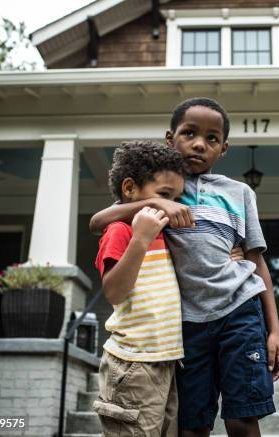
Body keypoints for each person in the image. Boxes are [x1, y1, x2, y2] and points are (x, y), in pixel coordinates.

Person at [90, 97, 279, 437]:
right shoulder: (163, 188)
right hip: (187, 324)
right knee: (191, 424)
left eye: (212, 138)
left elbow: (256, 261)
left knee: (242, 416)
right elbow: (97, 221)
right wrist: (154, 201)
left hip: (240, 311)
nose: (199, 143)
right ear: (171, 138)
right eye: (189, 133)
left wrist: (274, 330)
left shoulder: (239, 193)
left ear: (223, 148)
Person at [92, 140, 187, 437]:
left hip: (166, 360)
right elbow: (114, 292)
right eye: (164, 196)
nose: (171, 206)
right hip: (133, 362)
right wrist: (140, 240)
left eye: (176, 198)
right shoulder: (121, 230)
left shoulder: (165, 233)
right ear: (130, 188)